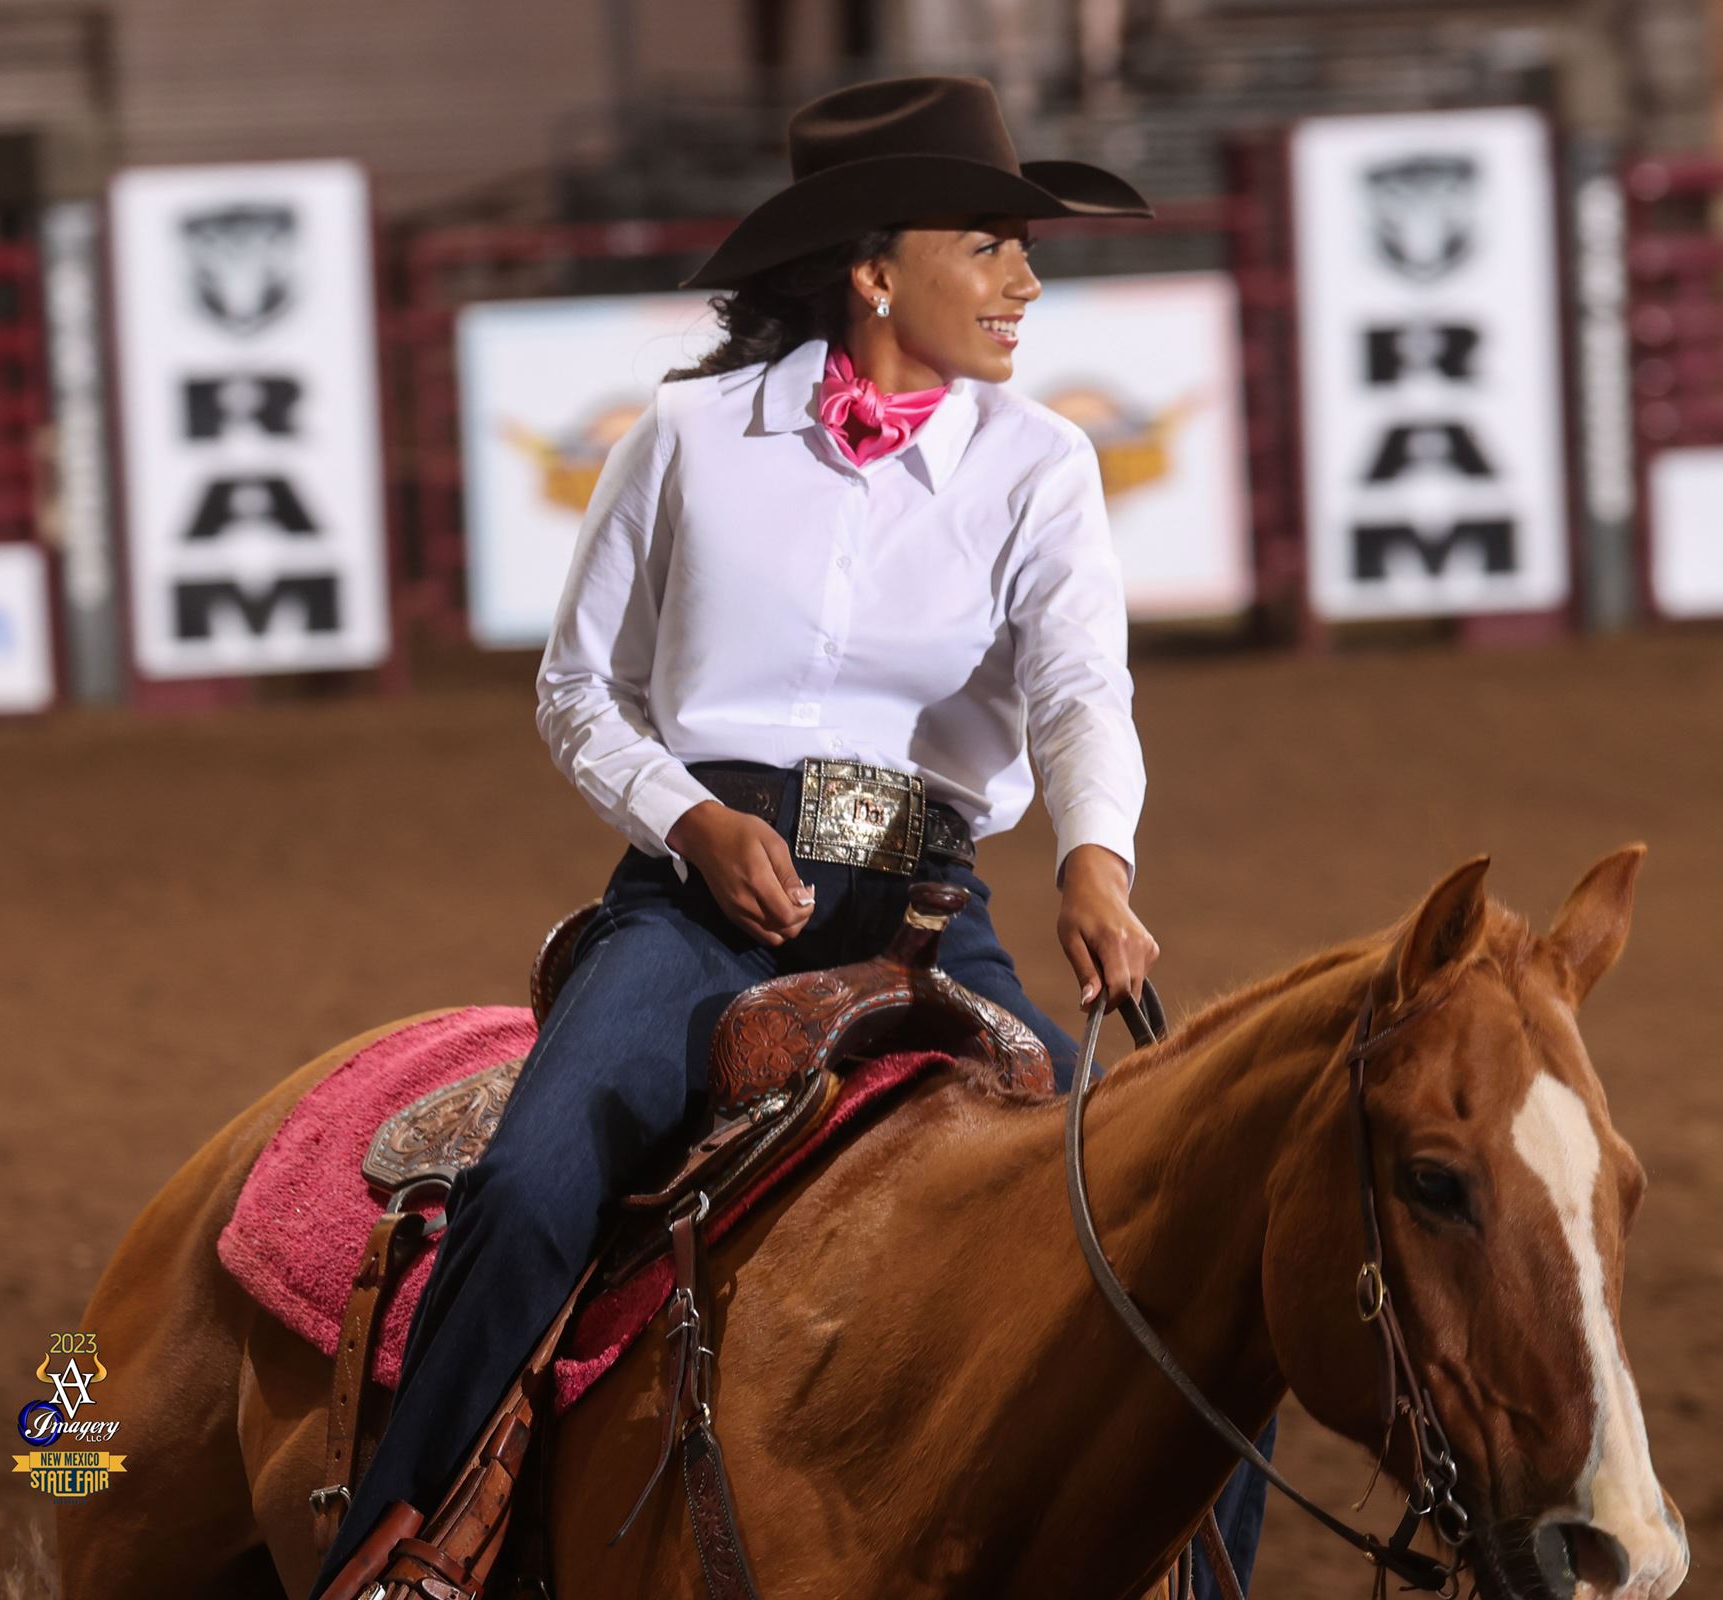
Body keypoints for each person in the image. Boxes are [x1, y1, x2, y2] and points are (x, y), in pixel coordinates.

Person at [311, 74, 1274, 1600]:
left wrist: (1098, 857)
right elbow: (579, 693)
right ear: (875, 271)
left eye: (1027, 247)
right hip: (697, 908)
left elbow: (1083, 687)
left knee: (1157, 1232)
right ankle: (397, 1540)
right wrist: (687, 818)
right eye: (992, 242)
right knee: (536, 1178)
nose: (1027, 280)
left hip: (925, 910)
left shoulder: (1040, 465)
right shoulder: (688, 439)